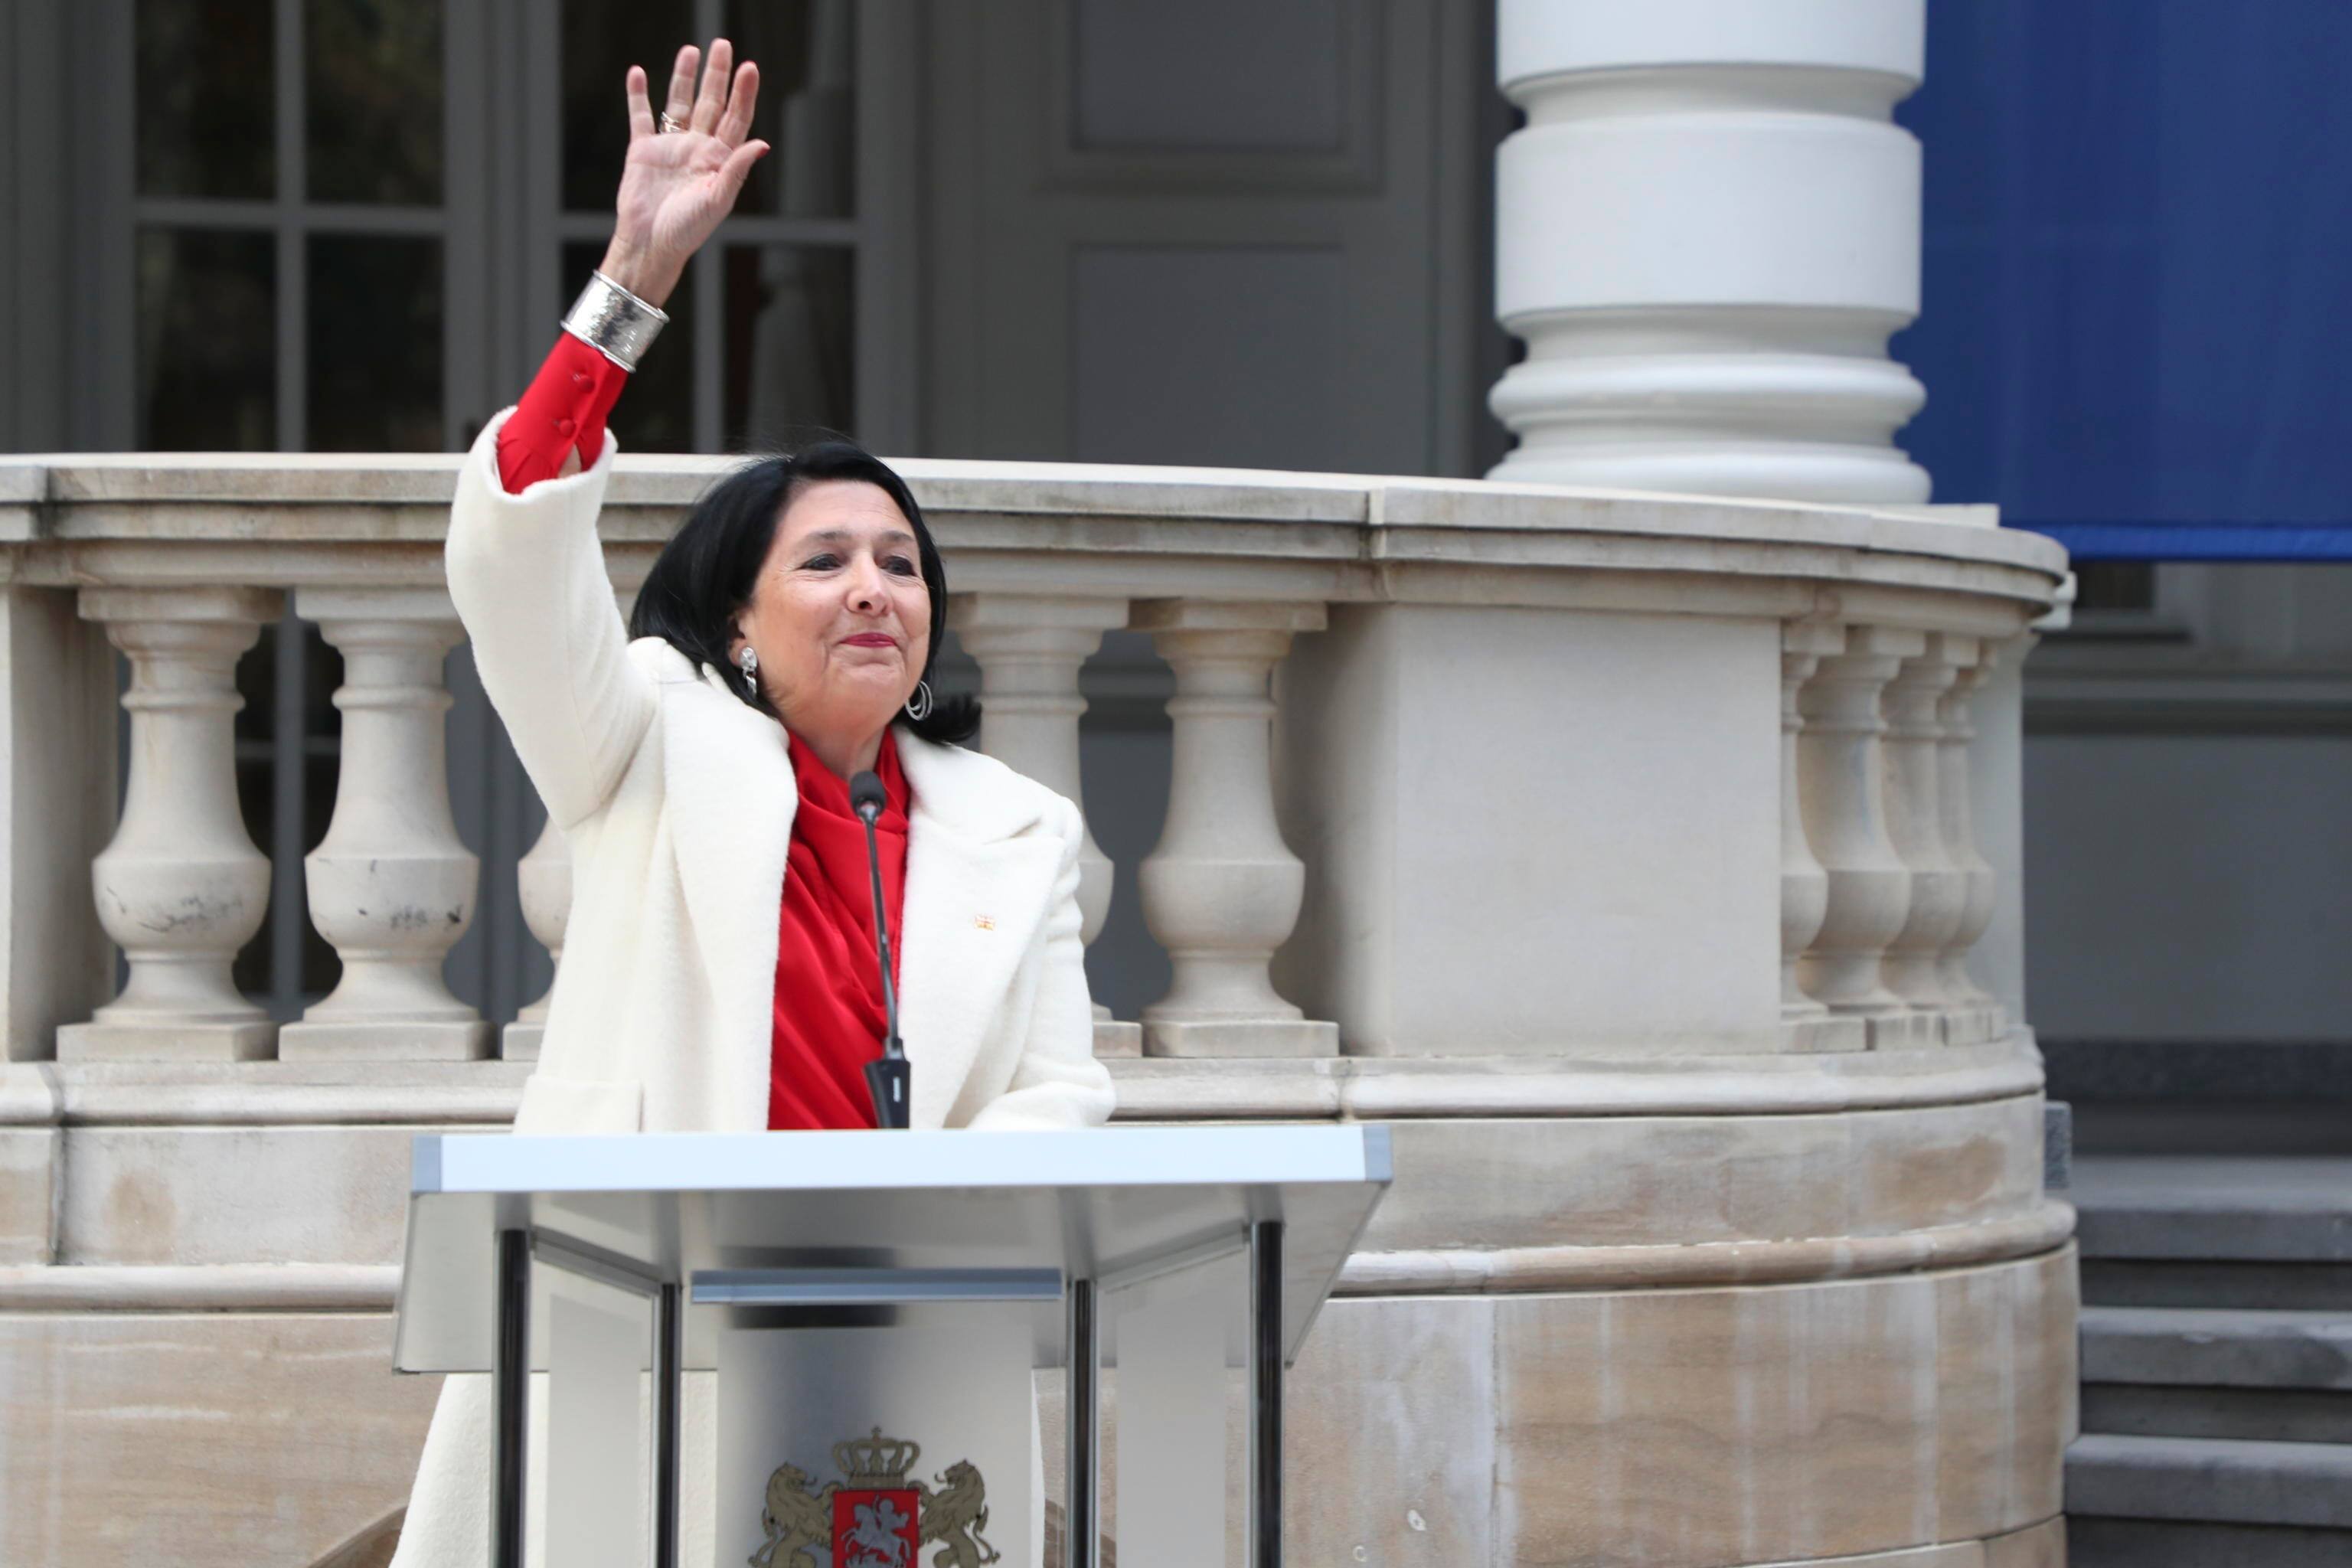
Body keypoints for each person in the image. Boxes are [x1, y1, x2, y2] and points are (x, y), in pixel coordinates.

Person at [389, 39, 1113, 1567]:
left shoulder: (1021, 828)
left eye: (901, 562)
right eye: (825, 560)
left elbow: (1062, 1093)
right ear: (735, 621)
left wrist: (917, 1206)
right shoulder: (643, 739)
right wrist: (630, 287)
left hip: (905, 1348)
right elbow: (514, 567)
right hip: (643, 1336)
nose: (874, 587)